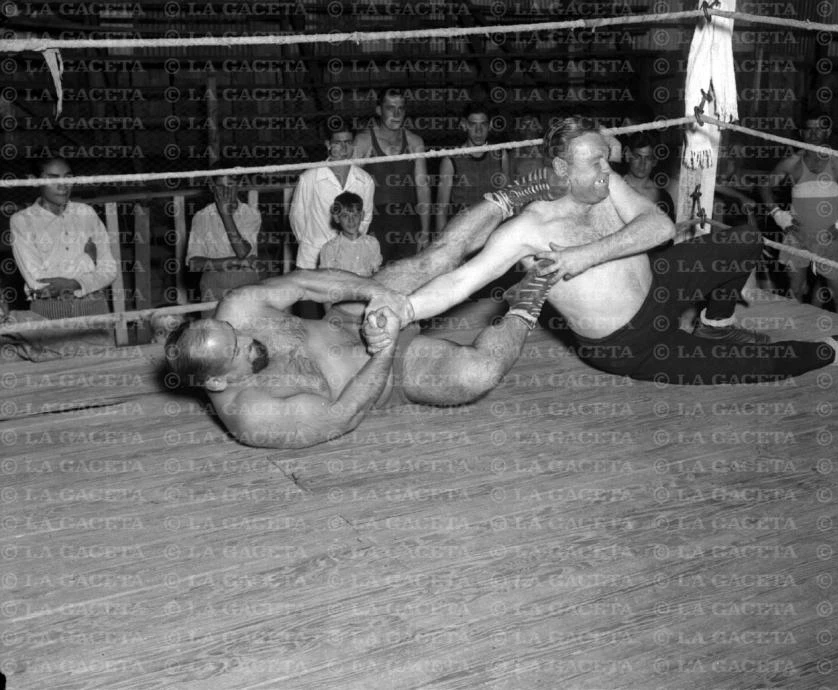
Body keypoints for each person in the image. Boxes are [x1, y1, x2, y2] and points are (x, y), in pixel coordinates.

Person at [370, 116, 838, 386]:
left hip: (663, 284)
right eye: (594, 162)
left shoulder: (604, 184)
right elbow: (461, 280)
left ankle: (716, 322)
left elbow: (659, 226)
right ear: (559, 169)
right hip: (628, 343)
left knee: (741, 240)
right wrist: (407, 309)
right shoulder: (525, 232)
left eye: (606, 159)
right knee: (751, 364)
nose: (607, 169)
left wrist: (586, 256)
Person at [164, 175, 563, 449]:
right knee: (479, 374)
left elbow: (306, 282)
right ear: (217, 382)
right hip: (388, 372)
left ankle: (516, 193)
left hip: (349, 317)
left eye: (236, 333)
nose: (248, 338)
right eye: (238, 351)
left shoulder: (237, 309)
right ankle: (533, 291)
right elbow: (342, 416)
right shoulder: (252, 415)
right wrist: (386, 349)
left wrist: (375, 292)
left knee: (431, 262)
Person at [760, 109, 838, 316]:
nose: (814, 134)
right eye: (809, 129)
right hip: (796, 236)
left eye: (819, 129)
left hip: (830, 238)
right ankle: (798, 338)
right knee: (795, 291)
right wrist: (779, 215)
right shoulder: (793, 162)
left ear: (828, 131)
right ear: (802, 133)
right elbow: (764, 187)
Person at [10, 157, 117, 321]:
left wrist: (74, 284)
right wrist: (89, 261)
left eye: (68, 178)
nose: (63, 186)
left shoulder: (86, 213)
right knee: (51, 347)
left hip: (94, 307)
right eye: (53, 179)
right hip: (48, 311)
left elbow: (109, 270)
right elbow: (39, 284)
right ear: (35, 181)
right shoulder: (22, 221)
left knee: (101, 347)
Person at [353, 88, 431, 262]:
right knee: (375, 281)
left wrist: (425, 231)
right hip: (374, 223)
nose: (396, 114)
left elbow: (422, 188)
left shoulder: (414, 142)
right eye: (390, 108)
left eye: (401, 108)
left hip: (408, 223)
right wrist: (353, 231)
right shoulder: (364, 141)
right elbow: (350, 188)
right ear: (379, 110)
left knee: (409, 279)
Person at [290, 120, 375, 270]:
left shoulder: (365, 180)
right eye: (338, 143)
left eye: (348, 142)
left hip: (349, 260)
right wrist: (310, 246)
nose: (344, 148)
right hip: (311, 260)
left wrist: (351, 246)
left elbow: (365, 218)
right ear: (328, 144)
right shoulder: (310, 177)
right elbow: (297, 217)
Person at [187, 174, 262, 305]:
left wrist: (225, 214)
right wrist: (238, 262)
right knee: (213, 325)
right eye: (221, 186)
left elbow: (242, 251)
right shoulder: (201, 216)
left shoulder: (250, 214)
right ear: (212, 187)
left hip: (245, 283)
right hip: (213, 285)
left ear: (238, 185)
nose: (226, 191)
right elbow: (194, 263)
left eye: (231, 185)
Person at [435, 103, 509, 235]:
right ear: (464, 125)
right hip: (461, 232)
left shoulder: (500, 155)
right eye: (473, 124)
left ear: (490, 125)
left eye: (483, 124)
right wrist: (440, 245)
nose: (478, 131)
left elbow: (508, 200)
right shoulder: (451, 160)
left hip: (492, 231)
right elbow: (441, 208)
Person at [317, 192, 382, 278]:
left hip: (367, 289)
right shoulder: (330, 248)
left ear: (362, 215)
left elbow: (377, 274)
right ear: (336, 218)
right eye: (345, 216)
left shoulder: (372, 243)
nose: (351, 220)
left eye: (355, 215)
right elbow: (326, 280)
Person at [622, 131, 674, 220]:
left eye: (648, 158)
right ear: (627, 156)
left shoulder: (662, 197)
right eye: (637, 157)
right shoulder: (614, 187)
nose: (642, 164)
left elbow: (668, 231)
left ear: (655, 161)